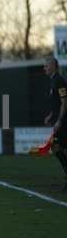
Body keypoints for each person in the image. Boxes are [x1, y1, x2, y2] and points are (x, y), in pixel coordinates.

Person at [44, 57, 67, 190]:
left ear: (53, 66)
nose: (44, 68)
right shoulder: (53, 81)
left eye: (46, 66)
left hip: (64, 122)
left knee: (55, 146)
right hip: (61, 121)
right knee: (57, 147)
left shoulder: (59, 81)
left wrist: (59, 120)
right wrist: (51, 115)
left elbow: (64, 102)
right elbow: (57, 103)